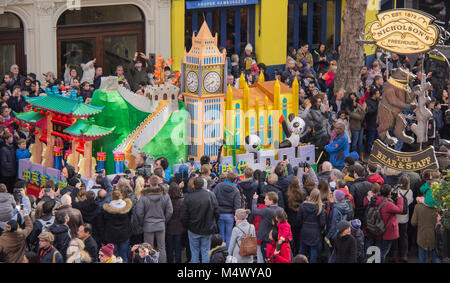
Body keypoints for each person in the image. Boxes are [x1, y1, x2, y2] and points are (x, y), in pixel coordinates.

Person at [181, 176, 220, 263]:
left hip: (193, 228)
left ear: (194, 185)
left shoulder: (188, 197)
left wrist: (187, 226)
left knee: (194, 252)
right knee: (205, 252)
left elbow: (184, 215)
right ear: (203, 185)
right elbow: (217, 212)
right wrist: (213, 222)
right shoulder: (210, 195)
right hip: (206, 228)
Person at [135, 175, 173, 263]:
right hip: (160, 224)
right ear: (158, 182)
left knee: (148, 248)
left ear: (149, 183)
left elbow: (139, 212)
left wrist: (143, 222)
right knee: (162, 248)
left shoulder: (144, 196)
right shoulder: (165, 195)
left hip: (148, 225)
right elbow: (170, 211)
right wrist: (164, 221)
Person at [98, 190, 132, 263]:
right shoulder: (127, 208)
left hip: (111, 236)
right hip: (124, 235)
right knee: (124, 255)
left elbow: (102, 224)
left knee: (113, 257)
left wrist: (103, 237)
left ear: (112, 197)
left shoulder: (106, 210)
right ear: (121, 196)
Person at [251, 191, 284, 262]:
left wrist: (254, 199)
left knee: (265, 257)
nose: (264, 200)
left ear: (271, 201)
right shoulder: (281, 210)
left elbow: (254, 211)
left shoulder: (267, 210)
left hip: (265, 238)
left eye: (266, 199)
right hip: (275, 237)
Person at [297, 189, 326, 263]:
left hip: (304, 230)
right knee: (314, 252)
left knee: (302, 250)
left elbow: (299, 220)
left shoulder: (303, 206)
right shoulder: (320, 208)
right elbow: (322, 223)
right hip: (315, 232)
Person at [214, 171, 241, 248]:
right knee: (229, 237)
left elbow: (213, 199)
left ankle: (221, 254)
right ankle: (227, 255)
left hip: (219, 214)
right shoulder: (236, 190)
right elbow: (237, 206)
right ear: (235, 180)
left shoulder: (218, 186)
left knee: (221, 236)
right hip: (230, 216)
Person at [390, 174, 413, 263]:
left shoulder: (395, 191)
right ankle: (404, 255)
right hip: (404, 217)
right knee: (404, 236)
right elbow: (410, 202)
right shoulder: (410, 192)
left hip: (395, 216)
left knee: (395, 237)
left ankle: (394, 255)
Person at [411, 197, 440, 263]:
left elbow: (413, 222)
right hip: (434, 236)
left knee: (422, 259)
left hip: (422, 236)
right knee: (435, 257)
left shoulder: (418, 206)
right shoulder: (437, 206)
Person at [166, 182, 185, 263]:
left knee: (169, 247)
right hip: (179, 228)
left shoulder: (167, 201)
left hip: (169, 227)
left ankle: (170, 260)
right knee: (178, 247)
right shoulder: (182, 201)